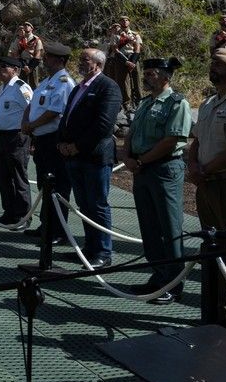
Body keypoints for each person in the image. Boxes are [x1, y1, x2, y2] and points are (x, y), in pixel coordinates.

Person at [123, 57, 192, 305]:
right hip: (142, 169)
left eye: (151, 73)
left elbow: (171, 139)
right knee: (149, 227)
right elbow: (131, 133)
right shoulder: (144, 102)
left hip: (163, 169)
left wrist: (140, 162)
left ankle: (173, 284)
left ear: (165, 77)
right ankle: (158, 277)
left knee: (169, 228)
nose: (146, 77)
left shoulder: (177, 103)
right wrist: (128, 156)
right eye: (146, 73)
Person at [187, 46, 226, 326]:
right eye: (212, 63)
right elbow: (195, 139)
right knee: (212, 248)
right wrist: (193, 166)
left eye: (219, 65)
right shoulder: (209, 103)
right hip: (205, 184)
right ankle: (213, 314)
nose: (213, 68)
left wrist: (206, 168)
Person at [57, 48, 122, 267]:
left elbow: (103, 125)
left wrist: (77, 146)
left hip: (94, 156)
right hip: (74, 156)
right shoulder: (78, 88)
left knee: (97, 204)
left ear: (98, 64)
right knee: (84, 204)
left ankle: (103, 252)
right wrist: (62, 142)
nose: (80, 63)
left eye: (85, 60)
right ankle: (89, 249)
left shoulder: (108, 87)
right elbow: (67, 117)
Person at [22, 41, 75, 246]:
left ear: (60, 60)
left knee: (58, 186)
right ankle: (46, 225)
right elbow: (33, 104)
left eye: (49, 57)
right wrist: (26, 123)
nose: (45, 59)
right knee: (45, 184)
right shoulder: (46, 82)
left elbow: (54, 112)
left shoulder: (64, 82)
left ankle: (58, 230)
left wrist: (32, 125)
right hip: (41, 139)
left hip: (54, 140)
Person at [0, 57, 33, 225]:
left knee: (18, 177)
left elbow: (31, 109)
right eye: (0, 66)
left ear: (15, 70)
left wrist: (31, 134)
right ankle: (9, 211)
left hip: (16, 137)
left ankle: (23, 216)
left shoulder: (21, 87)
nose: (0, 69)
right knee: (3, 176)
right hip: (1, 136)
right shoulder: (3, 87)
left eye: (5, 67)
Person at [105, 16, 143, 109]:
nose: (124, 22)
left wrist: (133, 62)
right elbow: (115, 49)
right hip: (121, 58)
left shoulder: (135, 34)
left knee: (137, 79)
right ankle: (127, 103)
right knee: (123, 82)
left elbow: (138, 48)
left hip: (133, 57)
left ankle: (140, 101)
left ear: (129, 22)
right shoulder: (115, 35)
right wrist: (126, 62)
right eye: (122, 20)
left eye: (126, 20)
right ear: (119, 22)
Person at [8, 22, 44, 87]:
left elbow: (38, 54)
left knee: (34, 84)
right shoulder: (19, 40)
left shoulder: (37, 39)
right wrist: (23, 65)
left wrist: (30, 68)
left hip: (32, 64)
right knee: (21, 84)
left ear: (32, 28)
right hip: (22, 63)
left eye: (28, 25)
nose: (26, 26)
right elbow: (15, 53)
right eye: (25, 25)